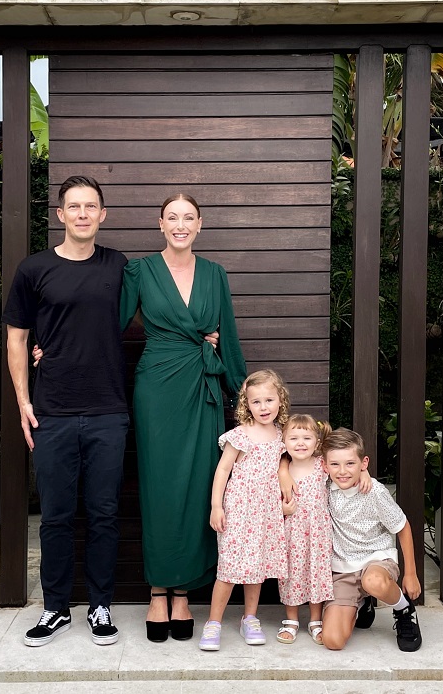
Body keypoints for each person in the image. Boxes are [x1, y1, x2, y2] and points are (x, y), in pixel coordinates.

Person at [2, 175, 127, 648]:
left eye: (90, 206)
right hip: (52, 411)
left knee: (104, 514)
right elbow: (17, 338)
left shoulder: (118, 266)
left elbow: (155, 309)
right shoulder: (34, 269)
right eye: (74, 206)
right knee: (55, 516)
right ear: (60, 215)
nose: (82, 214)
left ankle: (99, 606)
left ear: (102, 215)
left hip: (108, 409)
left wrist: (201, 332)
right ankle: (55, 608)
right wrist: (23, 401)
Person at [119, 194, 247, 642]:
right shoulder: (139, 271)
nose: (180, 224)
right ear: (160, 224)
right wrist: (54, 349)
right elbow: (107, 324)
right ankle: (158, 590)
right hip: (156, 388)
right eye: (172, 217)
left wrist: (246, 403)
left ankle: (183, 593)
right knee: (159, 489)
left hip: (203, 390)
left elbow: (228, 337)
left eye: (188, 217)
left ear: (200, 224)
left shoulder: (215, 274)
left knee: (197, 489)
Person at [199, 369, 290, 651]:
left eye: (269, 400)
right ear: (246, 404)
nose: (263, 407)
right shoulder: (240, 435)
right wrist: (216, 505)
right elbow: (223, 470)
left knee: (256, 567)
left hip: (266, 512)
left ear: (280, 400)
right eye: (256, 402)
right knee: (228, 568)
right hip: (239, 509)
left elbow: (295, 456)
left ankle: (249, 618)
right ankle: (213, 622)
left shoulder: (281, 434)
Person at [319, 428, 423, 652]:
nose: (342, 471)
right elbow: (294, 456)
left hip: (377, 560)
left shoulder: (374, 491)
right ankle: (362, 603)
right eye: (335, 464)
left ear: (363, 463)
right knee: (332, 641)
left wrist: (411, 574)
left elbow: (402, 527)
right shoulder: (323, 487)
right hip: (343, 568)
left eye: (350, 463)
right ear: (324, 466)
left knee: (373, 581)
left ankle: (404, 609)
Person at [275, 414, 334, 646]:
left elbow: (346, 467)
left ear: (317, 442)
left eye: (307, 438)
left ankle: (315, 620)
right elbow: (270, 501)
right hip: (292, 533)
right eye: (294, 438)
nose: (300, 443)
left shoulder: (322, 465)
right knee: (292, 574)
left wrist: (365, 473)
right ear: (284, 442)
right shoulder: (281, 469)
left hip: (319, 533)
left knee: (316, 573)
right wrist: (281, 509)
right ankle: (291, 620)